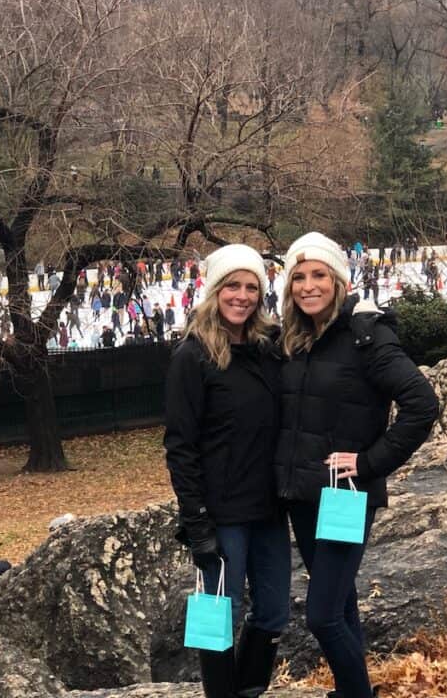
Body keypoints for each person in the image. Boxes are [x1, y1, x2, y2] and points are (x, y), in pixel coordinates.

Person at [275, 232, 439, 698]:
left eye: (319, 275)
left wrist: (369, 464)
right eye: (299, 277)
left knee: (322, 615)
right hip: (302, 496)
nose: (308, 286)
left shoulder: (367, 335)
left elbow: (422, 404)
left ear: (339, 281)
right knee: (341, 603)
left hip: (344, 496)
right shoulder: (294, 337)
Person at [164, 243, 289, 698]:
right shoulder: (192, 357)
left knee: (274, 611)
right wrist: (196, 523)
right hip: (220, 513)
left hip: (269, 509)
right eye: (232, 286)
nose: (242, 296)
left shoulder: (267, 349)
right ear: (214, 290)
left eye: (251, 286)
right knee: (216, 616)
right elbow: (180, 447)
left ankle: (248, 690)